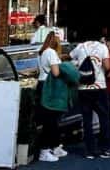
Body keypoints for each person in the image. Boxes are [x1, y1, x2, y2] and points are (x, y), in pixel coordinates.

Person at [70, 36, 110, 159]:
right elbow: (107, 65)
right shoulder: (102, 47)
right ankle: (105, 149)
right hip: (99, 87)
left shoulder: (80, 47)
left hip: (83, 88)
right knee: (104, 118)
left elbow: (70, 57)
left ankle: (90, 151)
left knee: (87, 120)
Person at [36, 31, 67, 163]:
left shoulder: (42, 51)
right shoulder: (52, 52)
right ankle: (44, 150)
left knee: (50, 118)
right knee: (51, 119)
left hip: (42, 85)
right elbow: (55, 72)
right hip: (50, 88)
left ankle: (54, 147)